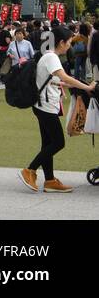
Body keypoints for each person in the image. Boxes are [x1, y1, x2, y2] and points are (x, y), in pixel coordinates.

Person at [20, 30, 95, 193]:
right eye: (69, 42)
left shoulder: (48, 55)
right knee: (58, 143)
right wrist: (87, 87)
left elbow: (56, 80)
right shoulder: (51, 57)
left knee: (48, 143)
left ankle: (49, 180)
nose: (69, 46)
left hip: (43, 105)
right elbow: (65, 77)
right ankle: (29, 170)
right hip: (46, 106)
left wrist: (71, 84)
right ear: (61, 42)